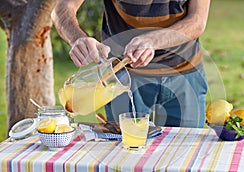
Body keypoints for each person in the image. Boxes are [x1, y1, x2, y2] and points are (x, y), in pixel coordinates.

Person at [52, 0, 211, 128]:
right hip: (123, 77)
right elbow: (62, 8)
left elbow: (197, 21)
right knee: (125, 158)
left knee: (183, 155)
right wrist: (77, 38)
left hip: (185, 74)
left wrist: (153, 40)